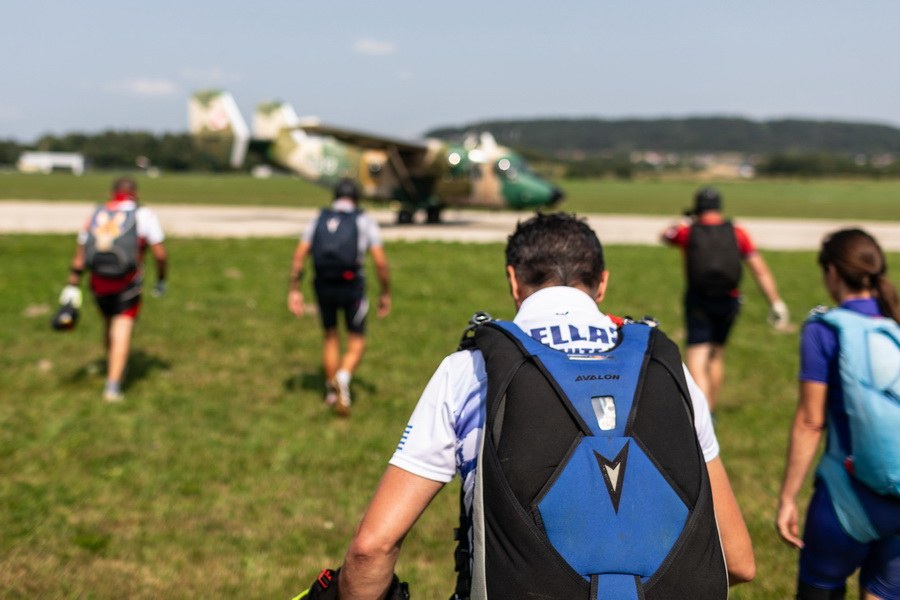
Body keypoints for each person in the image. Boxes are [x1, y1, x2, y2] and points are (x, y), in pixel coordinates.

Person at [311, 212, 754, 599]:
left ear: (513, 280)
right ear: (601, 283)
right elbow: (737, 560)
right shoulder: (665, 365)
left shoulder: (471, 369)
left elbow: (372, 548)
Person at [776, 228, 900, 600]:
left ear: (832, 272)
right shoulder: (894, 323)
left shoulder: (824, 330)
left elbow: (810, 422)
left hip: (846, 500)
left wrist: (787, 498)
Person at [661, 186, 790, 413]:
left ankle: (703, 413)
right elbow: (759, 269)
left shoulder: (688, 232)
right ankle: (711, 409)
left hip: (698, 298)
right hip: (729, 300)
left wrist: (683, 219)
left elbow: (665, 236)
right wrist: (776, 302)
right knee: (717, 354)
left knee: (698, 354)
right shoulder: (737, 232)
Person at [287, 178, 391, 417]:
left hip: (322, 284)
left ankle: (331, 393)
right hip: (352, 285)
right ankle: (343, 377)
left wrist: (294, 289)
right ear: (356, 198)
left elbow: (299, 255)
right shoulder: (363, 220)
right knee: (357, 339)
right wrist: (385, 292)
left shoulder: (319, 218)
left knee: (330, 336)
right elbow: (380, 263)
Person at [59, 176, 167, 402]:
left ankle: (112, 365)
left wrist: (72, 284)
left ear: (112, 192)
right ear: (135, 193)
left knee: (108, 326)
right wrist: (161, 279)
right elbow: (159, 253)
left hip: (98, 283)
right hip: (127, 285)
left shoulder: (97, 213)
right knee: (122, 329)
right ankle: (113, 385)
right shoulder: (143, 214)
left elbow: (81, 253)